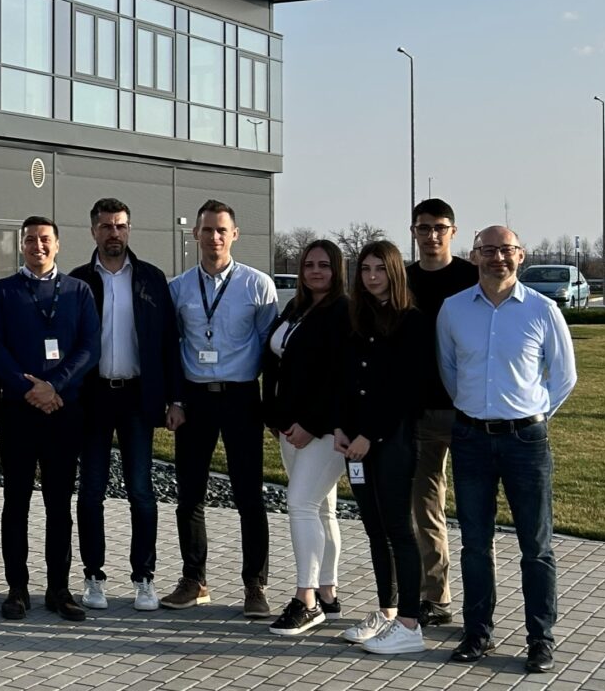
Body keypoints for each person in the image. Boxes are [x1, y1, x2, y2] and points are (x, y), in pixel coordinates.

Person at [439, 225, 577, 674]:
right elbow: (449, 370)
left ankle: (540, 639)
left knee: (536, 546)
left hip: (526, 443)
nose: (497, 257)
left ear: (521, 255)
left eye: (506, 250)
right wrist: (476, 410)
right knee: (474, 544)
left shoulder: (543, 309)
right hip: (471, 439)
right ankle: (477, 633)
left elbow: (564, 376)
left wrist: (533, 415)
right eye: (488, 250)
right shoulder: (453, 309)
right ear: (474, 255)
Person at [161, 199, 279, 618]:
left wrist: (268, 404)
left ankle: (255, 585)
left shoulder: (258, 286)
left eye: (221, 230)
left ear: (235, 235)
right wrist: (175, 401)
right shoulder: (178, 288)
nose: (214, 237)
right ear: (195, 233)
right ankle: (194, 580)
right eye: (207, 229)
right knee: (189, 494)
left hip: (241, 398)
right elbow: (171, 349)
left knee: (249, 495)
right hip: (194, 399)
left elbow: (269, 348)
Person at [68, 197, 183, 613]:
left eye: (119, 226)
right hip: (94, 397)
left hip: (138, 397)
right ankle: (93, 576)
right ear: (93, 231)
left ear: (129, 229)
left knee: (141, 491)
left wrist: (175, 399)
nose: (113, 233)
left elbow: (168, 343)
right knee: (91, 491)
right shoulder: (79, 281)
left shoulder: (151, 278)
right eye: (105, 226)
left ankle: (144, 578)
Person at [0, 216, 99, 621]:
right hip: (18, 411)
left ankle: (59, 589)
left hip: (63, 410)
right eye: (30, 239)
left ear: (58, 244)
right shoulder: (3, 291)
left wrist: (55, 386)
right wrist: (27, 388)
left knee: (58, 504)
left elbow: (90, 347)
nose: (38, 246)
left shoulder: (78, 291)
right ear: (21, 245)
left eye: (45, 239)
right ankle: (17, 588)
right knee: (15, 502)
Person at [335, 239, 433, 655]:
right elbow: (344, 379)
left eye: (379, 269)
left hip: (391, 439)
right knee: (374, 528)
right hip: (354, 441)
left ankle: (410, 623)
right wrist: (341, 427)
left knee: (398, 529)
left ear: (394, 272)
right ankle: (388, 611)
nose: (372, 277)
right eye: (365, 269)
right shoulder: (356, 317)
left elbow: (405, 391)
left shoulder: (411, 322)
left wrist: (369, 435)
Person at [258, 240, 346, 637]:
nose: (315, 271)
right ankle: (328, 592)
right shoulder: (296, 307)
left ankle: (306, 600)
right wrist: (276, 416)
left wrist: (310, 423)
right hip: (290, 427)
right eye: (308, 264)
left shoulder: (343, 312)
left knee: (301, 504)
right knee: (322, 509)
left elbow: (338, 378)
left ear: (337, 270)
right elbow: (276, 364)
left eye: (324, 265)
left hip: (324, 430)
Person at [405, 197, 478, 628]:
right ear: (413, 232)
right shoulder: (404, 279)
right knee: (426, 507)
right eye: (424, 227)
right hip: (420, 412)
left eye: (439, 227)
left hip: (467, 410)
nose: (431, 235)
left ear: (453, 232)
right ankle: (436, 596)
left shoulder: (472, 277)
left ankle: (480, 607)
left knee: (475, 511)